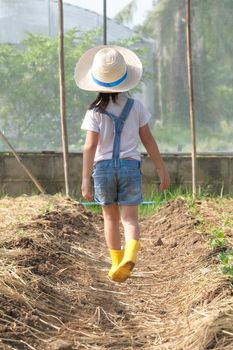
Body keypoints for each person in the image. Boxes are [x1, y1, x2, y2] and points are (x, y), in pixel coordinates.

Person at [74, 45, 170, 283]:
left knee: (110, 219)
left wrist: (86, 179)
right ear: (125, 79)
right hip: (129, 167)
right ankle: (130, 256)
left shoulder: (94, 111)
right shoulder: (136, 106)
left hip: (103, 170)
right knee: (130, 220)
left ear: (97, 81)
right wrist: (161, 169)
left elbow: (89, 147)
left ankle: (117, 264)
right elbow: (147, 139)